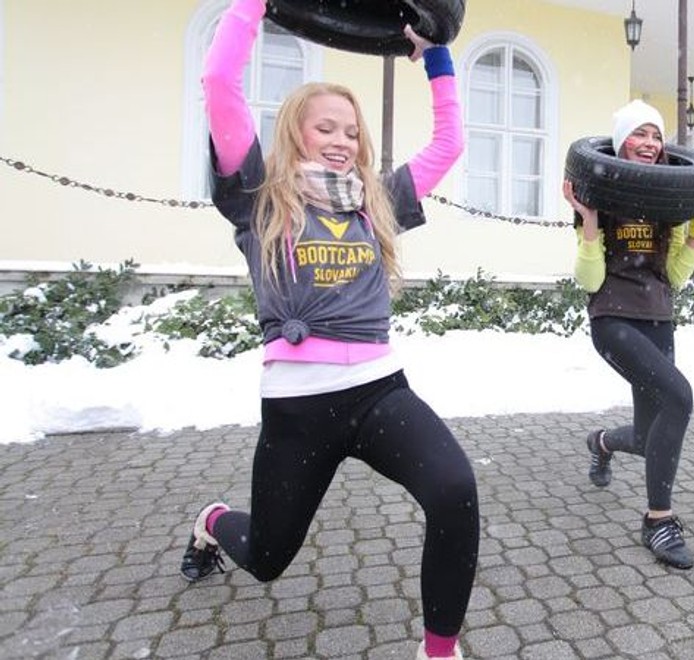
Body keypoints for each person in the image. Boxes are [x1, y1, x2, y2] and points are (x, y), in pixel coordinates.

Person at [178, 1, 479, 658]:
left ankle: (439, 651)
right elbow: (219, 86)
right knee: (266, 557)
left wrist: (436, 52)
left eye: (351, 131)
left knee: (455, 489)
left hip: (378, 392)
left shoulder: (378, 199)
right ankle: (210, 522)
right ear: (296, 133)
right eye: (326, 129)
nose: (342, 141)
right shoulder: (258, 194)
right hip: (298, 410)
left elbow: (450, 143)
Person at [561, 99, 694, 570]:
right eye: (639, 134)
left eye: (655, 135)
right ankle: (657, 519)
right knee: (679, 398)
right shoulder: (599, 193)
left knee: (649, 438)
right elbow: (588, 280)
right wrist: (588, 221)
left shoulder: (673, 199)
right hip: (613, 319)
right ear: (621, 141)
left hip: (657, 317)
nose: (649, 144)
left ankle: (601, 443)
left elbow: (675, 277)